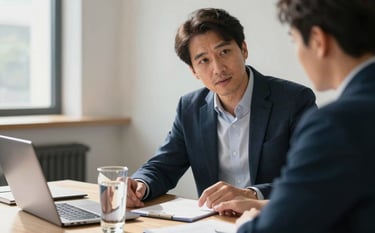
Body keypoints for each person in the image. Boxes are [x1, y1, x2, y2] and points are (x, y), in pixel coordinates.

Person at [126, 8, 316, 209]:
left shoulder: (294, 100)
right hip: (214, 223)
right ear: (194, 71)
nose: (218, 68)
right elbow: (163, 166)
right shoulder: (189, 108)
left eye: (224, 52)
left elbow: (311, 176)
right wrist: (140, 185)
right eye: (204, 60)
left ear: (243, 49)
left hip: (276, 220)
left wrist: (251, 194)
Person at [213, 0, 375, 232]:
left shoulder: (336, 123)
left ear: (318, 41)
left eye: (294, 39)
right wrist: (265, 206)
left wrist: (250, 225)